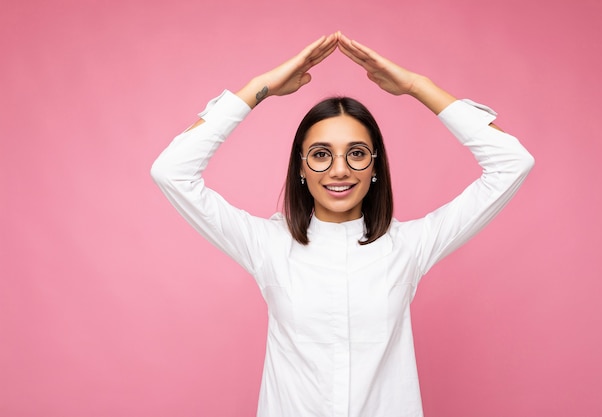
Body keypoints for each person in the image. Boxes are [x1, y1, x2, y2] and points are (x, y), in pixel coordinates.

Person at [151, 31, 534, 417]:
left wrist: (418, 87)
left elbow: (512, 162)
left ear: (375, 166)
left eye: (356, 153)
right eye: (320, 154)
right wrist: (258, 88)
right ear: (300, 167)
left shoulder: (409, 246)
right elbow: (172, 172)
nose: (339, 170)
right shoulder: (267, 244)